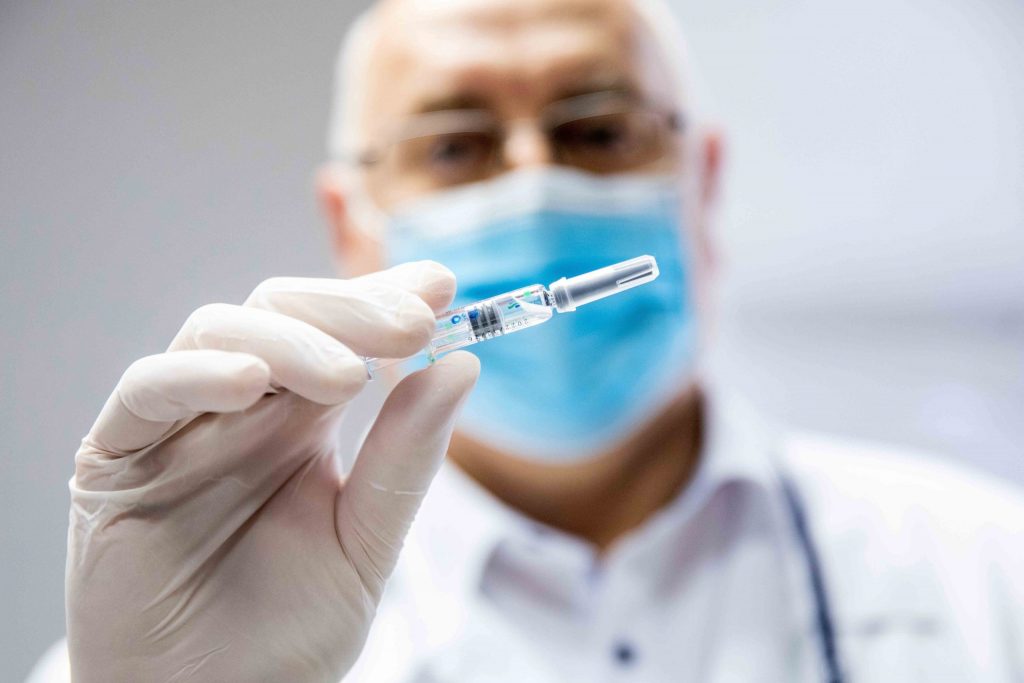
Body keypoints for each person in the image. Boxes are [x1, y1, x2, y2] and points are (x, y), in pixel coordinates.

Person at [29, 0, 1024, 681]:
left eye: (599, 130)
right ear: (350, 224)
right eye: (452, 145)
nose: (535, 183)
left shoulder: (985, 569)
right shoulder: (194, 625)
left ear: (704, 180)